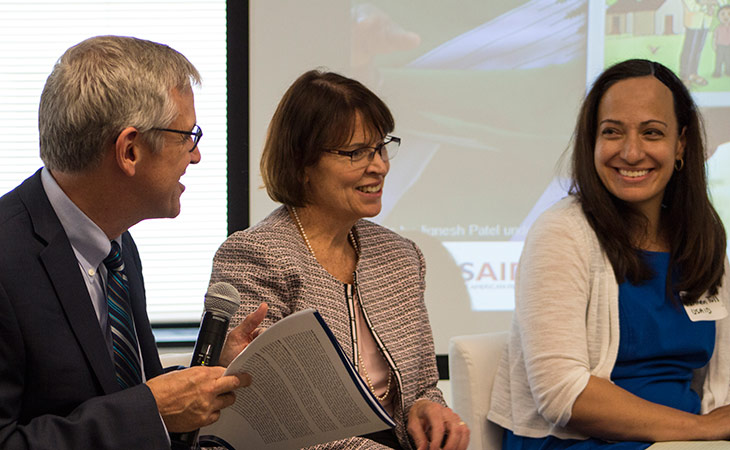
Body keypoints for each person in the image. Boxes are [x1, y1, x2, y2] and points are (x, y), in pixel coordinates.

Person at [0, 35, 267, 449]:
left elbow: (124, 390)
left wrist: (205, 373)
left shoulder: (115, 242)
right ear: (129, 151)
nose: (195, 156)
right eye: (187, 136)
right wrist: (151, 413)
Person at [209, 69, 469, 450]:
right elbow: (269, 415)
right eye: (356, 153)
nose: (379, 166)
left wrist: (428, 407)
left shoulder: (401, 256)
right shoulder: (255, 256)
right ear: (303, 164)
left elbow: (423, 385)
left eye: (380, 147)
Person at [488, 58, 730, 449]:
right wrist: (702, 431)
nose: (631, 153)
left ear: (681, 143)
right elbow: (562, 395)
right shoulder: (561, 232)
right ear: (592, 141)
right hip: (580, 440)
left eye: (652, 133)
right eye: (612, 132)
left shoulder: (702, 236)